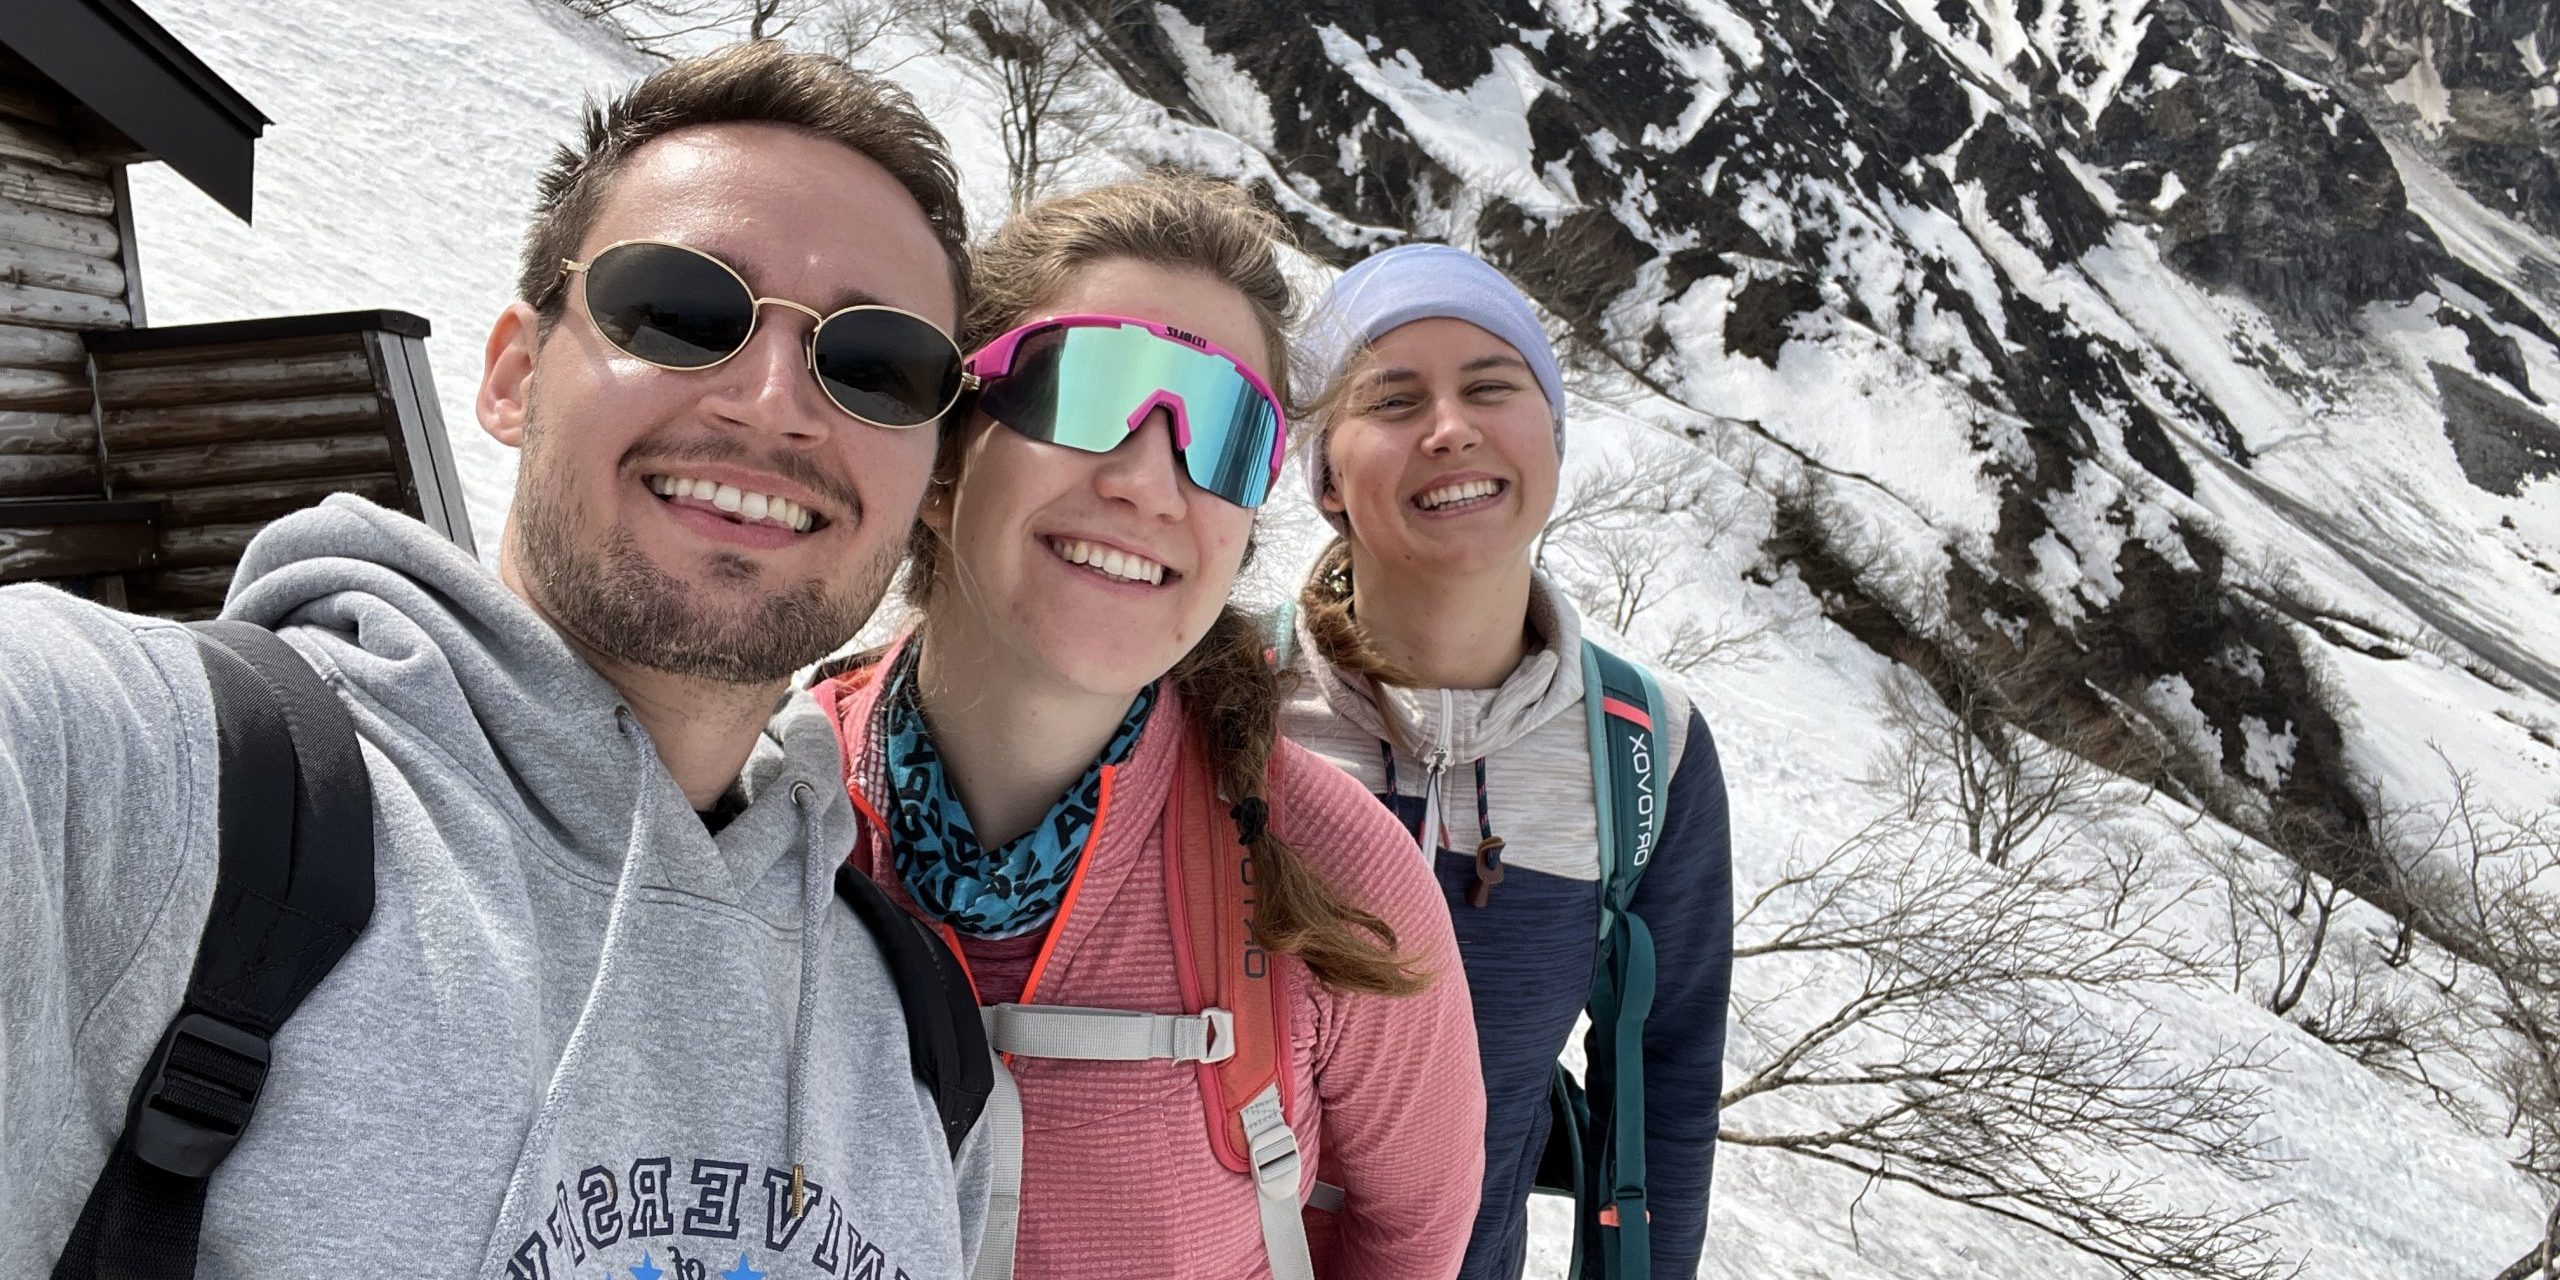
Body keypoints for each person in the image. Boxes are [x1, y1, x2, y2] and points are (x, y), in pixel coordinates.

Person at [1, 44, 1001, 1279]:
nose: (772, 400)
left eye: (877, 366)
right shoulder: (149, 783)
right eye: (681, 309)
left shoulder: (920, 1042)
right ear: (515, 376)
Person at [813, 175, 1485, 1280]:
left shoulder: (1336, 878)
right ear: (943, 459)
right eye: (1086, 386)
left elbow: (1412, 1239)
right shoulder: (767, 807)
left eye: (1223, 433)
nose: (1146, 482)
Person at [1277, 243, 1734, 1280]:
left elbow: (1665, 1084)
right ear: (1328, 478)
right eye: (1393, 401)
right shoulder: (1228, 703)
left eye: (1492, 387)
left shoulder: (1643, 749)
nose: (1451, 428)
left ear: (1552, 439)